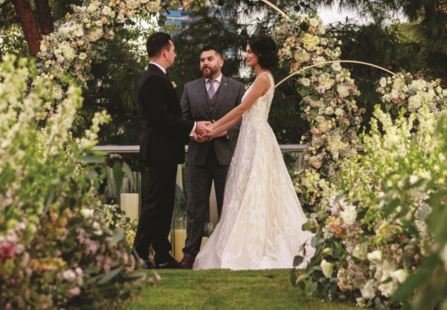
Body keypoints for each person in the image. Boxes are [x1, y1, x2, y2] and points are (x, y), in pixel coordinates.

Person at [193, 35, 313, 270]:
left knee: (256, 189)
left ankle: (258, 246)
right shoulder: (260, 77)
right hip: (250, 138)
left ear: (260, 53)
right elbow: (240, 116)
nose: (246, 55)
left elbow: (240, 107)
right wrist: (214, 131)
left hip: (257, 139)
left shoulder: (264, 78)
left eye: (249, 51)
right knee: (244, 189)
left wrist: (213, 126)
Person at [133, 32, 211, 269]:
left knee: (164, 204)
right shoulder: (154, 79)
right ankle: (137, 256)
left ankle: (163, 256)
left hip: (163, 151)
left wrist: (189, 132)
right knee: (156, 204)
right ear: (165, 52)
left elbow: (165, 118)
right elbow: (161, 119)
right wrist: (194, 126)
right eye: (173, 50)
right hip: (159, 151)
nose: (175, 54)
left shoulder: (157, 77)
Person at [179, 46, 245, 269]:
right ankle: (189, 255)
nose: (204, 63)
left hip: (226, 157)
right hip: (197, 158)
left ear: (221, 62)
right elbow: (183, 120)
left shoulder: (237, 88)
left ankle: (229, 253)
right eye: (201, 60)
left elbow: (245, 121)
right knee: (195, 209)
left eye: (209, 59)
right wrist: (193, 134)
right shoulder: (189, 88)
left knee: (228, 207)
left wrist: (226, 131)